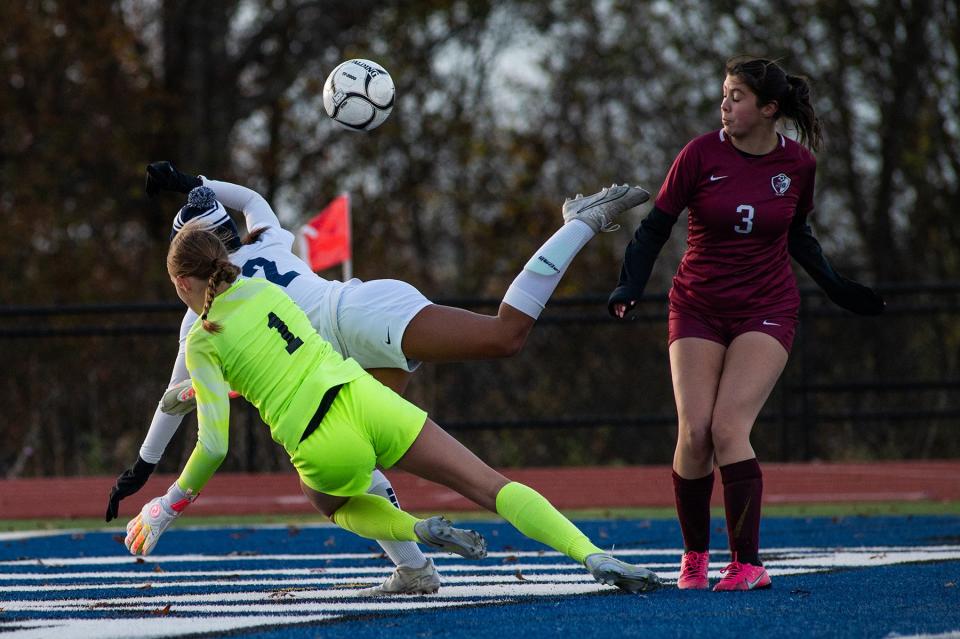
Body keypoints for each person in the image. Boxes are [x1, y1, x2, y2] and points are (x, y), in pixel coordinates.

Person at [107, 163, 649, 595]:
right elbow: (249, 199)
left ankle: (580, 220)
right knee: (393, 449)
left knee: (496, 341)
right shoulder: (268, 249)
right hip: (360, 333)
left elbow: (183, 407)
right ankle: (423, 571)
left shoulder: (199, 325)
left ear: (182, 275)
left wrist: (145, 469)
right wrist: (194, 182)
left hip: (350, 342)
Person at [608, 56, 884, 592]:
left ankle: (747, 563)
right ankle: (694, 556)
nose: (725, 106)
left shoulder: (799, 166)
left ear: (768, 108)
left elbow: (798, 236)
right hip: (697, 305)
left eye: (736, 96)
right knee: (695, 432)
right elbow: (655, 229)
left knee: (729, 427)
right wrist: (628, 286)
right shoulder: (699, 155)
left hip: (768, 306)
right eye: (724, 95)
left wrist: (838, 287)